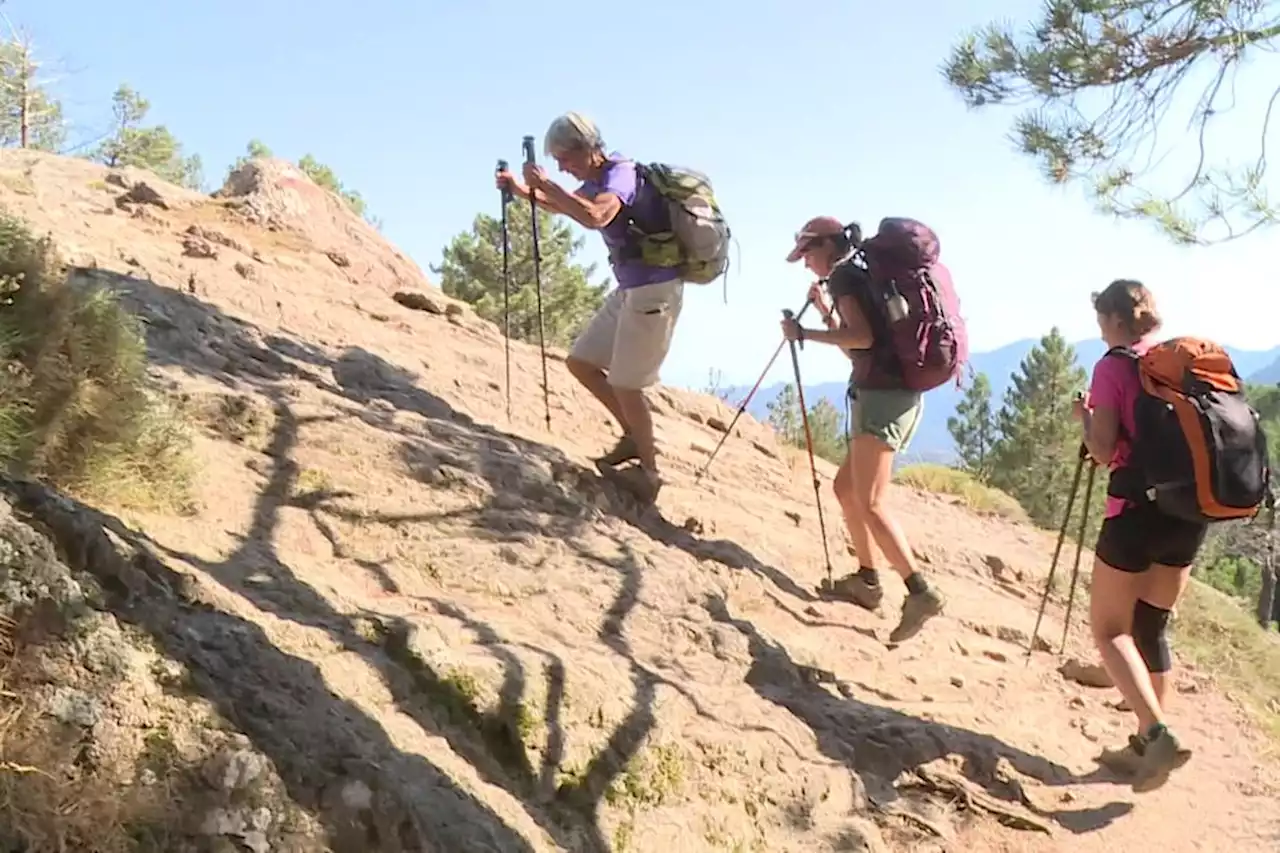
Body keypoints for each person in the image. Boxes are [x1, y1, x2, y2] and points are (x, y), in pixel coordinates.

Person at [495, 112, 682, 504]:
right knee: (581, 362)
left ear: (587, 149)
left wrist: (547, 185)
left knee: (627, 383)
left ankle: (650, 475)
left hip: (654, 291)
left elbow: (596, 216)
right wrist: (520, 190)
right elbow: (565, 206)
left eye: (565, 158)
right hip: (631, 289)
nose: (562, 167)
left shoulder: (620, 174)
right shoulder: (593, 180)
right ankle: (632, 436)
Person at [780, 216, 945, 644]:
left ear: (826, 246)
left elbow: (864, 340)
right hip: (890, 392)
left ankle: (919, 591)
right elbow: (860, 346)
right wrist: (822, 315)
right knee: (846, 488)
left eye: (807, 254)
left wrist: (803, 333)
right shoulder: (859, 271)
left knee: (869, 501)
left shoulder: (845, 277)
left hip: (884, 397)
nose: (806, 264)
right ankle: (868, 581)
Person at [1075, 279, 1202, 792]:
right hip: (1190, 513)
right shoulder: (1183, 363)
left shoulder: (1115, 365)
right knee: (1151, 628)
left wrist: (1083, 416)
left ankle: (1156, 735)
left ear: (1115, 320)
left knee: (1110, 630)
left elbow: (1104, 449)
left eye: (1102, 321)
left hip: (1134, 510)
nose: (1100, 330)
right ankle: (1145, 746)